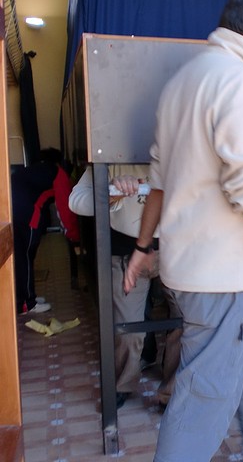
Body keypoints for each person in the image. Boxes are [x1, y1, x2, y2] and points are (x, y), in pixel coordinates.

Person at [123, 0, 243, 462]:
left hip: (200, 271)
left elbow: (159, 180)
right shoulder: (242, 84)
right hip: (224, 278)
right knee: (204, 399)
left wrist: (144, 245)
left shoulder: (183, 83)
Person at [68, 165, 180, 410]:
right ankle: (122, 385)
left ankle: (172, 391)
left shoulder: (179, 143)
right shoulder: (109, 153)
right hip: (124, 251)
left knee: (186, 322)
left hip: (177, 249)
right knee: (127, 329)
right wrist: (112, 192)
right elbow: (76, 201)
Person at [12, 148, 80, 314]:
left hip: (9, 212)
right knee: (25, 257)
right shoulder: (57, 173)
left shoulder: (29, 171)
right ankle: (27, 304)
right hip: (25, 215)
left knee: (19, 257)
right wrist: (74, 237)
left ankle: (25, 297)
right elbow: (66, 209)